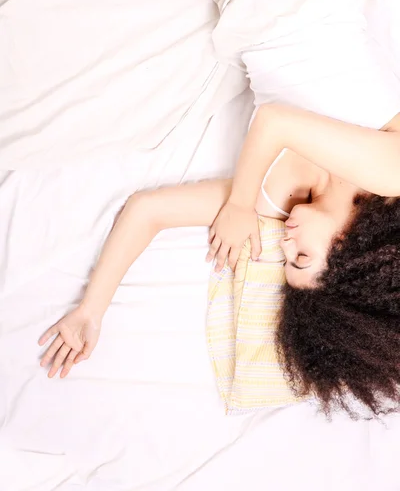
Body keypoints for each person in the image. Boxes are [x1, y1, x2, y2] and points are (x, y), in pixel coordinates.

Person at [39, 104, 400, 416]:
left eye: (286, 261)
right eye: (301, 257)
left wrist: (90, 311)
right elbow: (275, 121)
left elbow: (148, 210)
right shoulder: (390, 174)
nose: (285, 245)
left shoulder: (272, 202)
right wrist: (240, 204)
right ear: (349, 251)